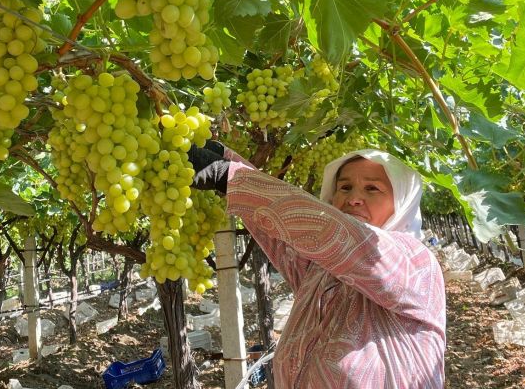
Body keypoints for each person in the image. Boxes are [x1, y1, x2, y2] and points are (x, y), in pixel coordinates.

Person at [188, 142, 446, 389]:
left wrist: (230, 177)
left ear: (402, 202)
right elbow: (283, 228)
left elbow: (333, 233)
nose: (354, 198)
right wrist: (228, 158)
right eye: (344, 187)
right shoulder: (321, 270)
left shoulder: (415, 262)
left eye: (372, 189)